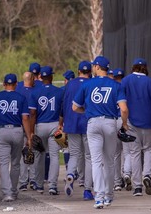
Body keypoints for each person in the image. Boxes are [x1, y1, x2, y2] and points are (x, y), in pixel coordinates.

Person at [72, 56, 129, 209]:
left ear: (97, 67)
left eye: (94, 66)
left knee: (96, 161)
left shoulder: (88, 84)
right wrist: (123, 123)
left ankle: (99, 197)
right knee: (109, 161)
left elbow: (75, 107)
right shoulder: (116, 85)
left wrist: (87, 111)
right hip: (110, 123)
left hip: (93, 123)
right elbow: (123, 109)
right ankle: (109, 196)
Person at [121, 58, 151, 197]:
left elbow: (122, 104)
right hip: (147, 122)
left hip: (132, 122)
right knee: (148, 150)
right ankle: (147, 176)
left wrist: (124, 122)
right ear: (145, 68)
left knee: (134, 153)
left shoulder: (126, 81)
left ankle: (138, 187)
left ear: (133, 67)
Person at [0, 73, 31, 202]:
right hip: (17, 130)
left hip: (2, 130)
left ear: (4, 84)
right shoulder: (21, 97)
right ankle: (14, 191)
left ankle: (7, 194)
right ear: (16, 84)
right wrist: (28, 136)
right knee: (16, 163)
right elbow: (25, 118)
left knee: (4, 164)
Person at [61, 61, 94, 200]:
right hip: (87, 123)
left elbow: (63, 105)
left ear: (78, 70)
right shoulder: (92, 84)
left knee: (74, 154)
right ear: (90, 72)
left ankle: (70, 174)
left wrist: (61, 123)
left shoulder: (70, 84)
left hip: (72, 123)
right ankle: (87, 190)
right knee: (89, 157)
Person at [28, 66, 64, 195]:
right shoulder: (59, 92)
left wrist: (31, 131)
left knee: (39, 156)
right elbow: (62, 111)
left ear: (40, 77)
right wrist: (61, 124)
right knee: (54, 156)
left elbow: (32, 114)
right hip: (55, 125)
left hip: (40, 125)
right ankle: (52, 186)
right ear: (52, 77)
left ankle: (39, 185)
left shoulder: (34, 92)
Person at [15, 72, 37, 191]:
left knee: (22, 154)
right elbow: (32, 114)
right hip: (28, 125)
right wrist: (31, 131)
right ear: (32, 79)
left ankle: (23, 182)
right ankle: (33, 180)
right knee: (31, 152)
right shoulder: (33, 92)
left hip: (18, 125)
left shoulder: (17, 91)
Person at [112, 68, 128, 191]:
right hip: (125, 120)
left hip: (113, 121)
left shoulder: (111, 87)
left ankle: (117, 182)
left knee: (116, 154)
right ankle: (126, 175)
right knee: (127, 152)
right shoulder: (125, 88)